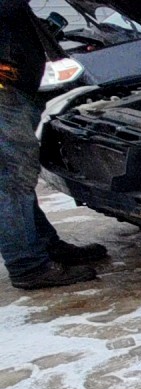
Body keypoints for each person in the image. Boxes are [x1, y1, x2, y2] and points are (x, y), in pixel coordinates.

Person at [1, 0, 106, 290]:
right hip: (3, 89)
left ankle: (45, 247)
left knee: (14, 181)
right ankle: (28, 266)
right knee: (11, 182)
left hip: (15, 84)